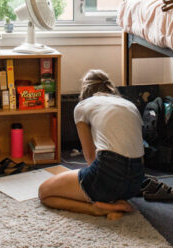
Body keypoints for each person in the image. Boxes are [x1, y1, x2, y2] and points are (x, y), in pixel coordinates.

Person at [38, 69, 144, 220]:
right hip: (135, 182)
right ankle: (115, 201)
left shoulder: (83, 107)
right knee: (107, 182)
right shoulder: (129, 105)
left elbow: (89, 157)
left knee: (45, 192)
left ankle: (96, 209)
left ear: (85, 90)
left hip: (107, 176)